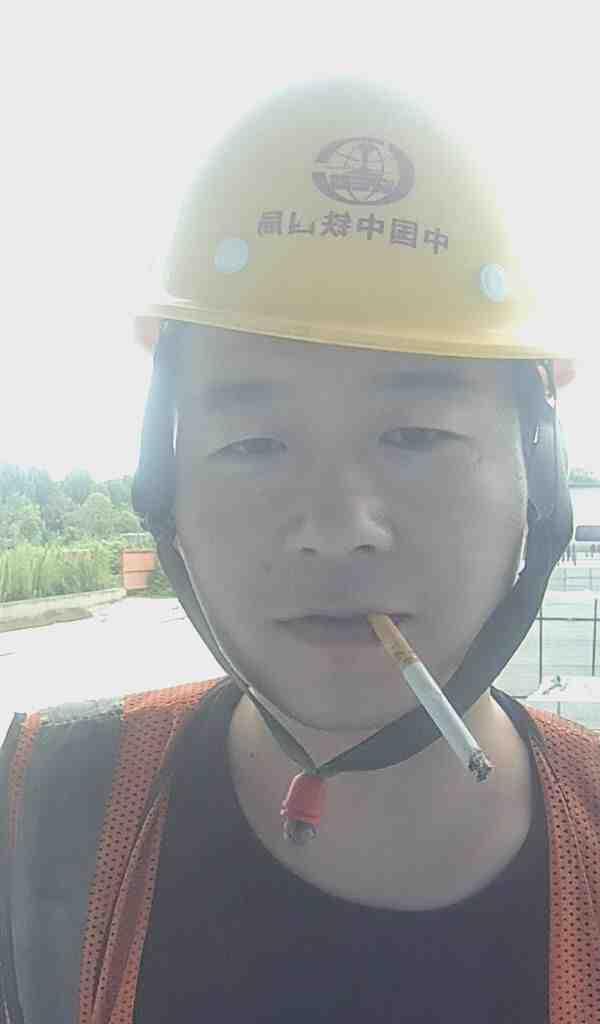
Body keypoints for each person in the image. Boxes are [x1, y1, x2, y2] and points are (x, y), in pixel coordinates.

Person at [1, 79, 599, 1024]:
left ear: (539, 482)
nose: (336, 524)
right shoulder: (42, 814)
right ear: (165, 488)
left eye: (415, 436)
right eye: (255, 444)